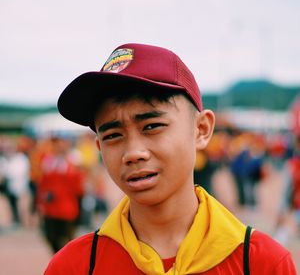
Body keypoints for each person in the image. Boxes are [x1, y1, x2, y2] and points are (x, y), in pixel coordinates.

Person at [45, 43, 296, 274]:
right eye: (113, 135)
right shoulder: (74, 266)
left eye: (152, 126)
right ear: (99, 146)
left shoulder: (261, 263)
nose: (133, 152)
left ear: (201, 129)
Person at [37, 136, 84, 253]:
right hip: (51, 208)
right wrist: (41, 201)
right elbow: (43, 184)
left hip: (67, 208)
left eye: (60, 144)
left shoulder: (72, 162)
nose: (57, 147)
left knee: (67, 238)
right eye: (55, 144)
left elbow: (79, 187)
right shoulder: (48, 161)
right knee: (50, 236)